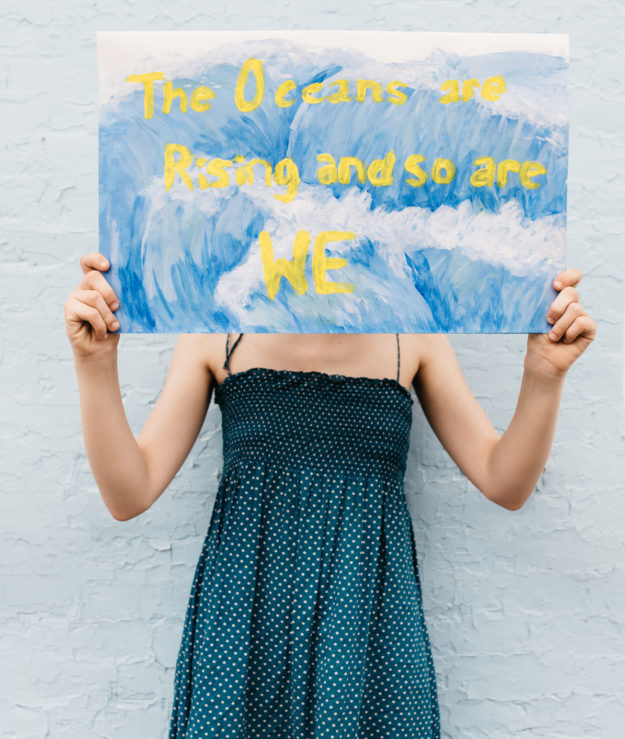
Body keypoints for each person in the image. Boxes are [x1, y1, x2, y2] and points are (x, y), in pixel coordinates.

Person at [64, 251, 596, 738]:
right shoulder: (216, 326)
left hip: (368, 627)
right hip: (245, 626)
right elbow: (128, 493)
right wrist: (94, 364)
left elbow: (504, 481)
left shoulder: (413, 331)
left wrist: (544, 373)